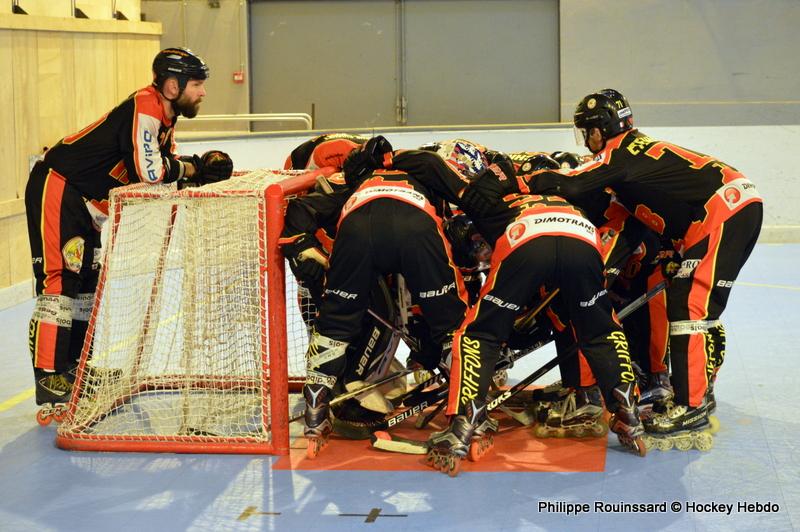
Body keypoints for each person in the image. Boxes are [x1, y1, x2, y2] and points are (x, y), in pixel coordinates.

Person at [530, 88, 763, 450]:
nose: (587, 140)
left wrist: (527, 182)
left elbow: (573, 184)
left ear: (600, 130)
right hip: (729, 206)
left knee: (690, 307)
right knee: (695, 306)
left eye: (587, 131)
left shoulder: (619, 153)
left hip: (722, 210)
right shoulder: (634, 156)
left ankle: (691, 405)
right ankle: (697, 393)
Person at [24, 47, 233, 419]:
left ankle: (75, 369)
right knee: (60, 282)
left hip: (86, 204)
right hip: (59, 187)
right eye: (197, 84)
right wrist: (192, 168)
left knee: (85, 286)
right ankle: (50, 376)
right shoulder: (146, 106)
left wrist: (193, 171)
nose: (203, 92)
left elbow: (163, 171)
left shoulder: (165, 118)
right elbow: (151, 173)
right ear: (172, 86)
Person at [417, 151, 647, 473]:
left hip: (525, 237)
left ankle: (462, 427)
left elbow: (477, 240)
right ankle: (628, 414)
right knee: (602, 330)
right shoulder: (569, 197)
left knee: (478, 334)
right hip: (583, 238)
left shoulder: (505, 199)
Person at [300, 138, 490, 456]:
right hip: (416, 226)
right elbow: (473, 208)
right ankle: (471, 418)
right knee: (452, 327)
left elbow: (303, 209)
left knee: (334, 324)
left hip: (356, 227)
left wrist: (299, 247)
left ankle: (315, 417)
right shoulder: (429, 170)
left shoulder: (356, 178)